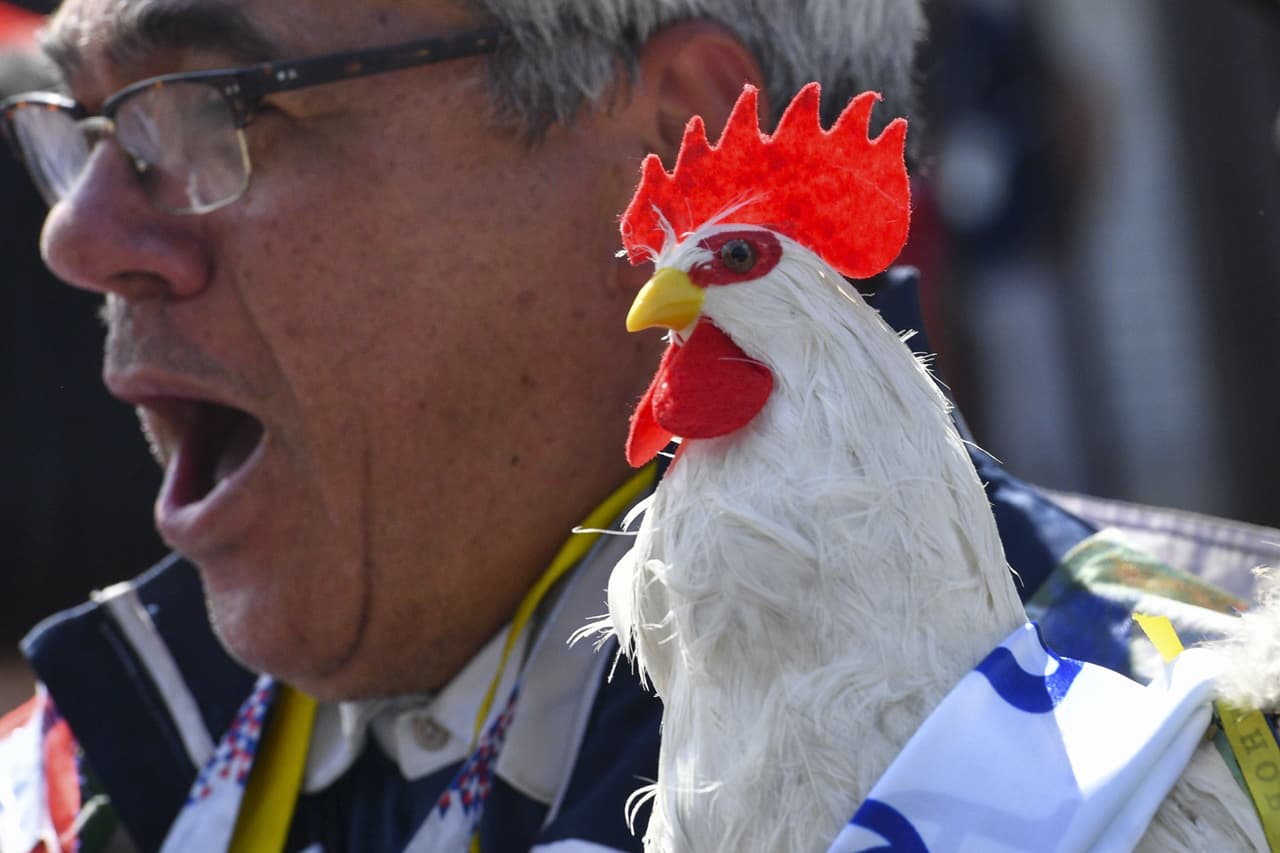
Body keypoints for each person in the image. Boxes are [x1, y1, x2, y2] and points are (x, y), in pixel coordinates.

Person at [0, 1, 1273, 852]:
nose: (81, 236)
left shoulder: (1155, 777)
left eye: (212, 111)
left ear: (684, 130)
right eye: (89, 132)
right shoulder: (64, 772)